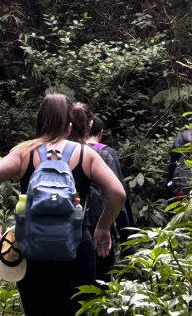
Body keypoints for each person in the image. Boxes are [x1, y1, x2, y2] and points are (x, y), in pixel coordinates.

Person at [0, 93, 127, 316]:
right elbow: (118, 193)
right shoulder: (86, 155)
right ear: (68, 128)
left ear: (39, 123)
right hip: (77, 248)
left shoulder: (24, 152)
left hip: (33, 250)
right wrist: (103, 227)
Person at [71, 107, 135, 284]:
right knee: (102, 282)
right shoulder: (106, 153)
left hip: (70, 229)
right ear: (98, 132)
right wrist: (127, 244)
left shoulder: (64, 151)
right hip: (100, 226)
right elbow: (119, 200)